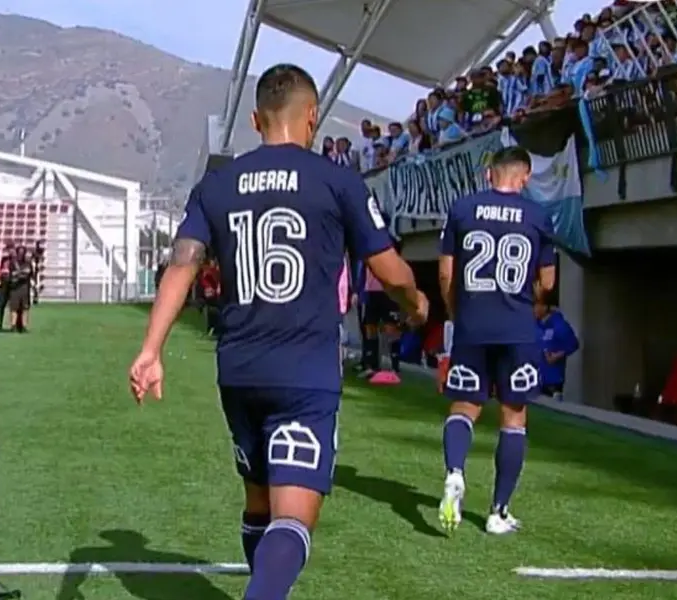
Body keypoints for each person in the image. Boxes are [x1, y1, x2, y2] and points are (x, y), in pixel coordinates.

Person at [128, 63, 428, 600]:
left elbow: (181, 264)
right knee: (293, 519)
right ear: (312, 117)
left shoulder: (217, 184)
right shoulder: (336, 180)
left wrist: (151, 349)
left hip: (239, 369)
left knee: (259, 505)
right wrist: (415, 302)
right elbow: (388, 267)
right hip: (305, 373)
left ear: (254, 119)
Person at [436, 146, 556, 535]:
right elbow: (548, 282)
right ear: (524, 177)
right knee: (513, 416)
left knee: (464, 407)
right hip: (517, 329)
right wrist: (531, 300)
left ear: (489, 174)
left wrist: (458, 313)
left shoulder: (463, 209)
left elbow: (445, 274)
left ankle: (455, 471)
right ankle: (498, 512)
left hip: (473, 324)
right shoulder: (538, 216)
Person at [0, 244, 33, 332]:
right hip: (5, 285)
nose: (10, 251)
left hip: (15, 286)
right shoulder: (5, 260)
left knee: (19, 307)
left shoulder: (20, 261)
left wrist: (16, 274)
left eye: (11, 249)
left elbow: (26, 272)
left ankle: (19, 325)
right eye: (8, 250)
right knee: (1, 306)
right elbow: (3, 272)